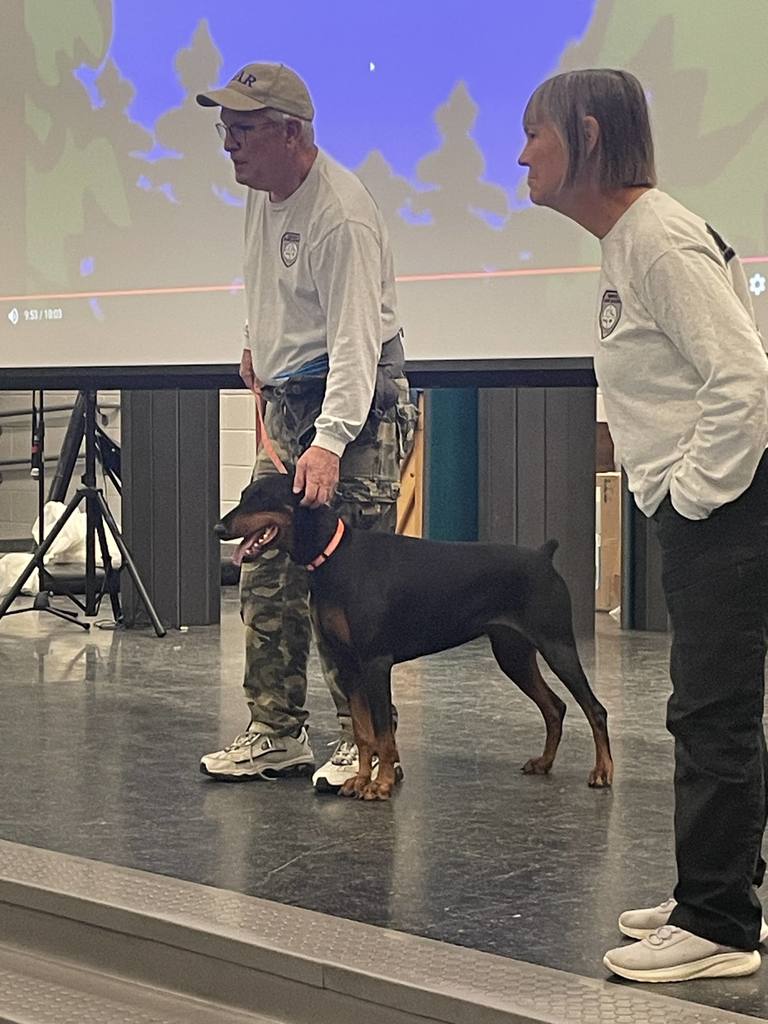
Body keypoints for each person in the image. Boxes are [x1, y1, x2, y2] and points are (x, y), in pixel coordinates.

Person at [519, 68, 768, 983]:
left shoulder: (657, 241)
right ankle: (721, 887)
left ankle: (718, 925)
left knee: (712, 709)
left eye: (533, 135)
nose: (520, 155)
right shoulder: (631, 240)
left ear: (586, 134)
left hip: (729, 502)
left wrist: (691, 493)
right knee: (712, 705)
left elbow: (745, 378)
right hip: (714, 501)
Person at [196, 63, 416, 791]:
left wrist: (329, 443)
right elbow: (270, 282)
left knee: (348, 585)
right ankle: (276, 731)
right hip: (292, 399)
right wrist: (257, 342)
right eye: (224, 126)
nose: (228, 141)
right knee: (263, 561)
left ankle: (365, 740)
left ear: (291, 133)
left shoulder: (340, 215)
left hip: (353, 409)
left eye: (243, 128)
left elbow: (356, 345)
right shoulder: (263, 192)